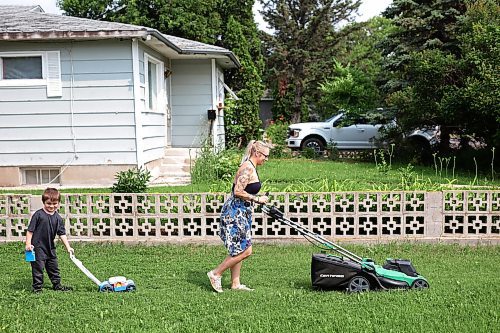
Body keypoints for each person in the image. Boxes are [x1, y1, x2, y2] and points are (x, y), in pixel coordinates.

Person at [207, 140, 270, 292]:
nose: (266, 159)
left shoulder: (252, 167)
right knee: (246, 250)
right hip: (235, 212)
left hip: (243, 211)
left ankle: (235, 284)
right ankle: (216, 273)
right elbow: (238, 191)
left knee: (238, 248)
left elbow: (246, 190)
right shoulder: (247, 168)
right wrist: (257, 199)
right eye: (265, 156)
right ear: (257, 153)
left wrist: (256, 198)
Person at [25, 188, 74, 293]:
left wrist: (68, 247)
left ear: (58, 203)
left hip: (50, 247)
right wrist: (28, 244)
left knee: (54, 267)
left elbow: (62, 234)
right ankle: (37, 288)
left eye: (54, 203)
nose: (51, 206)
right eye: (49, 203)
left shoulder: (58, 218)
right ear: (44, 202)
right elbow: (30, 231)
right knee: (38, 268)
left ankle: (57, 285)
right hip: (37, 247)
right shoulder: (38, 215)